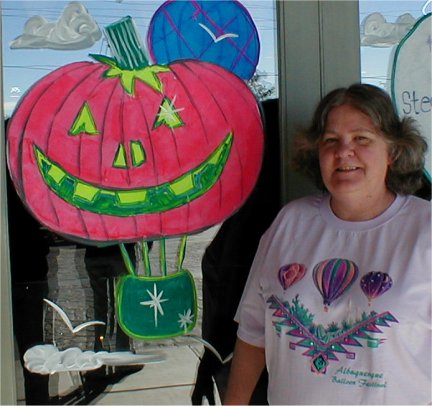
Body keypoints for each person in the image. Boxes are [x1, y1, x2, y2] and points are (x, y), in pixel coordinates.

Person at [224, 84, 431, 405]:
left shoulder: (425, 229)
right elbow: (253, 333)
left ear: (393, 151)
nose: (344, 151)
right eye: (331, 140)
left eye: (362, 138)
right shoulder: (290, 223)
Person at [192, 99, 280, 405]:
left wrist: (208, 362)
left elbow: (228, 297)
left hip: (252, 367)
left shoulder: (257, 218)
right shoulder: (281, 215)